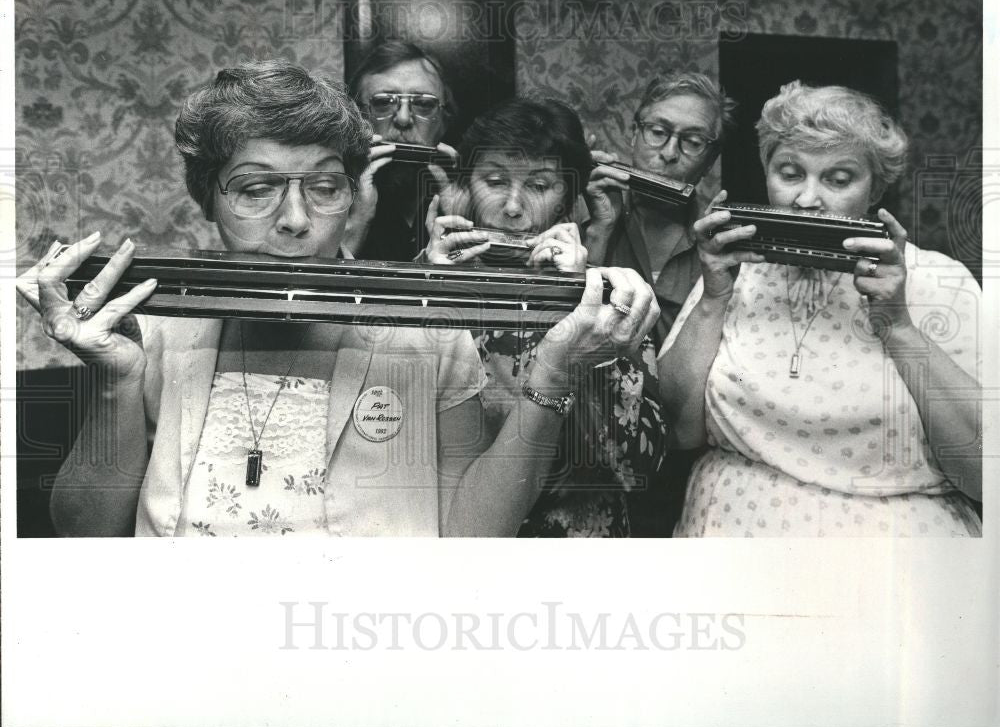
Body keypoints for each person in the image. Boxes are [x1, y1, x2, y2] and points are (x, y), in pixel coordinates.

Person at [15, 60, 659, 538]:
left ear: (353, 196)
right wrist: (116, 382)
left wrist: (554, 373)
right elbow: (84, 533)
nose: (296, 220)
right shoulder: (156, 327)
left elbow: (472, 535)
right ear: (207, 197)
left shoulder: (427, 330)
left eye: (324, 188)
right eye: (256, 189)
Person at [658, 81, 981, 537]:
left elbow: (981, 471)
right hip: (732, 531)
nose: (807, 199)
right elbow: (678, 431)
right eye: (790, 173)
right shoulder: (736, 271)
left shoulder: (940, 280)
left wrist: (899, 326)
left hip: (892, 545)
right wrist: (713, 298)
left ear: (875, 188)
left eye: (838, 179)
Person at [421, 97, 668, 536]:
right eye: (494, 181)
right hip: (459, 538)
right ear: (466, 187)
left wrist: (573, 301)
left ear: (566, 200)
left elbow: (637, 469)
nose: (513, 208)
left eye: (539, 185)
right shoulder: (426, 279)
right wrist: (431, 289)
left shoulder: (609, 297)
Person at [584, 72, 737, 534]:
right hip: (588, 442)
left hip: (682, 455)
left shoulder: (722, 245)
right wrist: (599, 235)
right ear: (634, 134)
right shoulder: (584, 217)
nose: (669, 153)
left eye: (692, 142)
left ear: (709, 159)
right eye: (658, 132)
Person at [343, 40, 457, 261]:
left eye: (424, 104)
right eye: (383, 102)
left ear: (444, 121)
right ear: (357, 119)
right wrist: (355, 225)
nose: (403, 119)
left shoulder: (469, 193)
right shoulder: (325, 195)